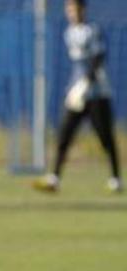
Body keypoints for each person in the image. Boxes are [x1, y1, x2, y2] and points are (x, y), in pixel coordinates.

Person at [34, 0, 121, 194]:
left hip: (97, 94)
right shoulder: (69, 33)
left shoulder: (93, 30)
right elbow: (78, 66)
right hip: (77, 94)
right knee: (64, 134)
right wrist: (75, 87)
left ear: (84, 10)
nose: (72, 13)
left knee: (105, 137)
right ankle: (54, 178)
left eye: (76, 9)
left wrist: (85, 84)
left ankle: (116, 179)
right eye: (69, 9)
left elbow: (98, 59)